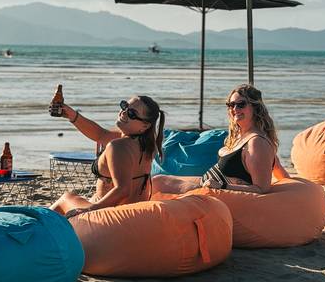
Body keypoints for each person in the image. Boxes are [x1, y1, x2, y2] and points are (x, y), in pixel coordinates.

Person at [151, 84, 289, 197]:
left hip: (215, 192)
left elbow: (262, 188)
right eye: (230, 104)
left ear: (255, 107)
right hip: (207, 182)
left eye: (241, 104)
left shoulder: (256, 142)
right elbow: (277, 167)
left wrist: (223, 186)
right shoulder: (242, 136)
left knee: (157, 185)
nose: (234, 109)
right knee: (157, 180)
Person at [50, 95, 165, 218]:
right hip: (136, 212)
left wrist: (90, 209)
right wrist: (72, 115)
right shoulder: (148, 142)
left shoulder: (118, 146)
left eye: (132, 113)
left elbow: (123, 190)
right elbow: (100, 134)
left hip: (113, 215)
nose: (124, 112)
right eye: (124, 106)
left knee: (66, 198)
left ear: (145, 126)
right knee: (76, 199)